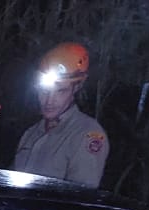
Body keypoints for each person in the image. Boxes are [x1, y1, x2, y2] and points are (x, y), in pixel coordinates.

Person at [12, 42, 109, 188]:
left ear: (75, 88)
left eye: (60, 91)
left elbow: (81, 199)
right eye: (44, 91)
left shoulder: (86, 134)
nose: (49, 100)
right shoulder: (31, 133)